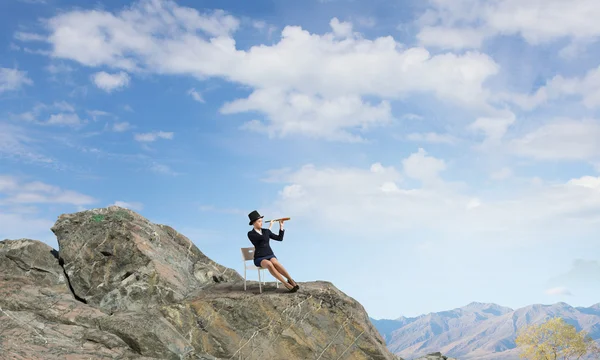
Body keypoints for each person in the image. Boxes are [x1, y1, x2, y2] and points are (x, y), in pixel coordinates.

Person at [247, 210, 299, 292]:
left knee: (275, 263)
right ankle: (285, 283)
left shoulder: (265, 231)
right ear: (254, 223)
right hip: (259, 258)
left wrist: (281, 227)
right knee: (269, 264)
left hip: (269, 254)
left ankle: (291, 280)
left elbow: (279, 238)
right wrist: (270, 227)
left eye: (261, 221)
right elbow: (263, 238)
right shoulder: (250, 233)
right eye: (259, 221)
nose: (261, 223)